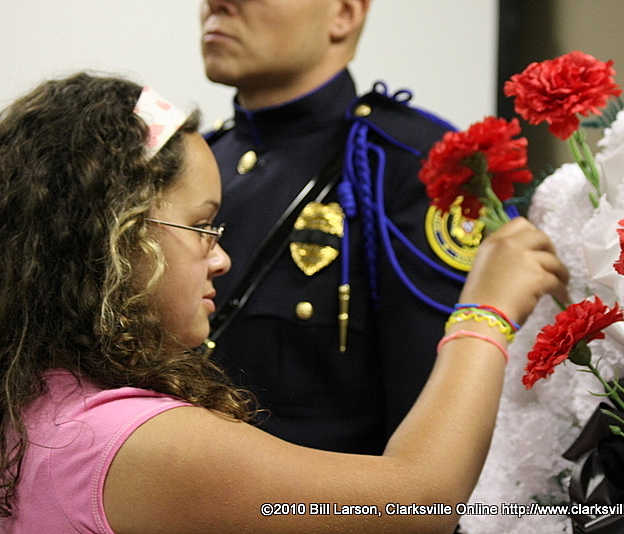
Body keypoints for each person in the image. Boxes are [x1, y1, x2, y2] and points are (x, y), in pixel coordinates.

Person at [0, 72, 567, 533]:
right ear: (118, 235)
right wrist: (485, 312)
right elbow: (418, 502)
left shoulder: (39, 401)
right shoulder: (127, 442)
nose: (220, 259)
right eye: (201, 227)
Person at [201, 0, 483, 455]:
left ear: (344, 14)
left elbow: (431, 425)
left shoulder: (405, 165)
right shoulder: (200, 160)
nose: (216, 3)